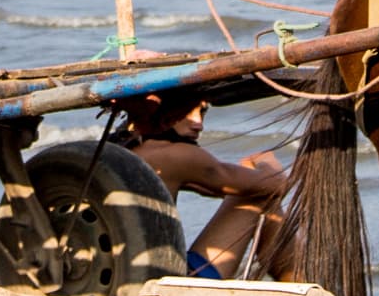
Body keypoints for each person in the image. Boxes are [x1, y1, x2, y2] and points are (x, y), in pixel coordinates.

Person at [114, 87, 292, 279]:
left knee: (252, 188)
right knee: (262, 197)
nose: (198, 124)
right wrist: (265, 159)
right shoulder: (178, 155)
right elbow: (277, 185)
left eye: (202, 112)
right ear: (162, 109)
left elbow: (207, 186)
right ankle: (301, 286)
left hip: (118, 277)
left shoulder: (118, 148)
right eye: (185, 111)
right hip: (165, 281)